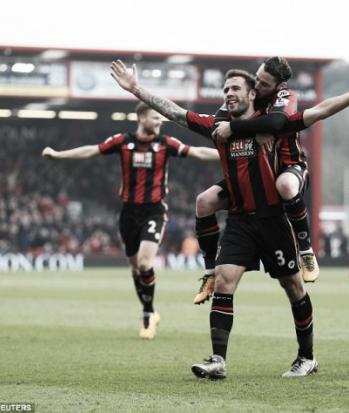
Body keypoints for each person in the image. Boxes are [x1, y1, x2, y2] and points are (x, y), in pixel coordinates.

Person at [110, 59, 349, 379]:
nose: (228, 94)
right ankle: (218, 359)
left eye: (235, 88)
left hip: (274, 219)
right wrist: (135, 89)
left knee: (293, 288)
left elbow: (319, 111)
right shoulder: (216, 125)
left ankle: (307, 357)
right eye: (225, 89)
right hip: (239, 219)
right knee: (225, 280)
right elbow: (173, 111)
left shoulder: (273, 125)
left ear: (253, 93)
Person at [41, 103, 220, 340]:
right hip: (128, 214)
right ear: (141, 118)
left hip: (154, 211)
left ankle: (147, 314)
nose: (158, 122)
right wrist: (58, 155)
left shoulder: (165, 144)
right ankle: (149, 309)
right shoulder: (123, 142)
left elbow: (197, 152)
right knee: (136, 268)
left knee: (145, 264)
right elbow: (91, 150)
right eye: (155, 118)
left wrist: (228, 154)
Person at [192, 57, 318, 307]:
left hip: (286, 165)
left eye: (264, 82)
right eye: (257, 78)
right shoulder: (245, 96)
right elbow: (219, 122)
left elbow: (277, 122)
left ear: (278, 85)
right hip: (249, 176)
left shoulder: (284, 98)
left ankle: (306, 250)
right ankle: (209, 272)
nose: (258, 84)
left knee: (286, 186)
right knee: (204, 201)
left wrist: (239, 128)